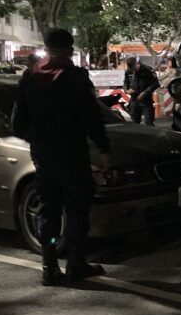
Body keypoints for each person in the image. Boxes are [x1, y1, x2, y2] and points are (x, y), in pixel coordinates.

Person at [12, 28, 110, 286]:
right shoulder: (75, 78)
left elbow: (18, 123)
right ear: (69, 49)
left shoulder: (29, 77)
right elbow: (91, 117)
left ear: (46, 48)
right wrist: (103, 148)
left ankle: (49, 267)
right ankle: (75, 264)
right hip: (72, 153)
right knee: (77, 210)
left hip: (44, 156)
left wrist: (39, 141)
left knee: (49, 211)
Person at [124, 57, 160, 126]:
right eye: (132, 69)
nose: (133, 71)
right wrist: (127, 90)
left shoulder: (148, 70)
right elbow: (126, 83)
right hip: (134, 100)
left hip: (146, 100)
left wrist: (144, 93)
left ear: (136, 64)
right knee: (134, 123)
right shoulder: (128, 71)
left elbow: (156, 84)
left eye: (134, 69)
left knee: (149, 122)